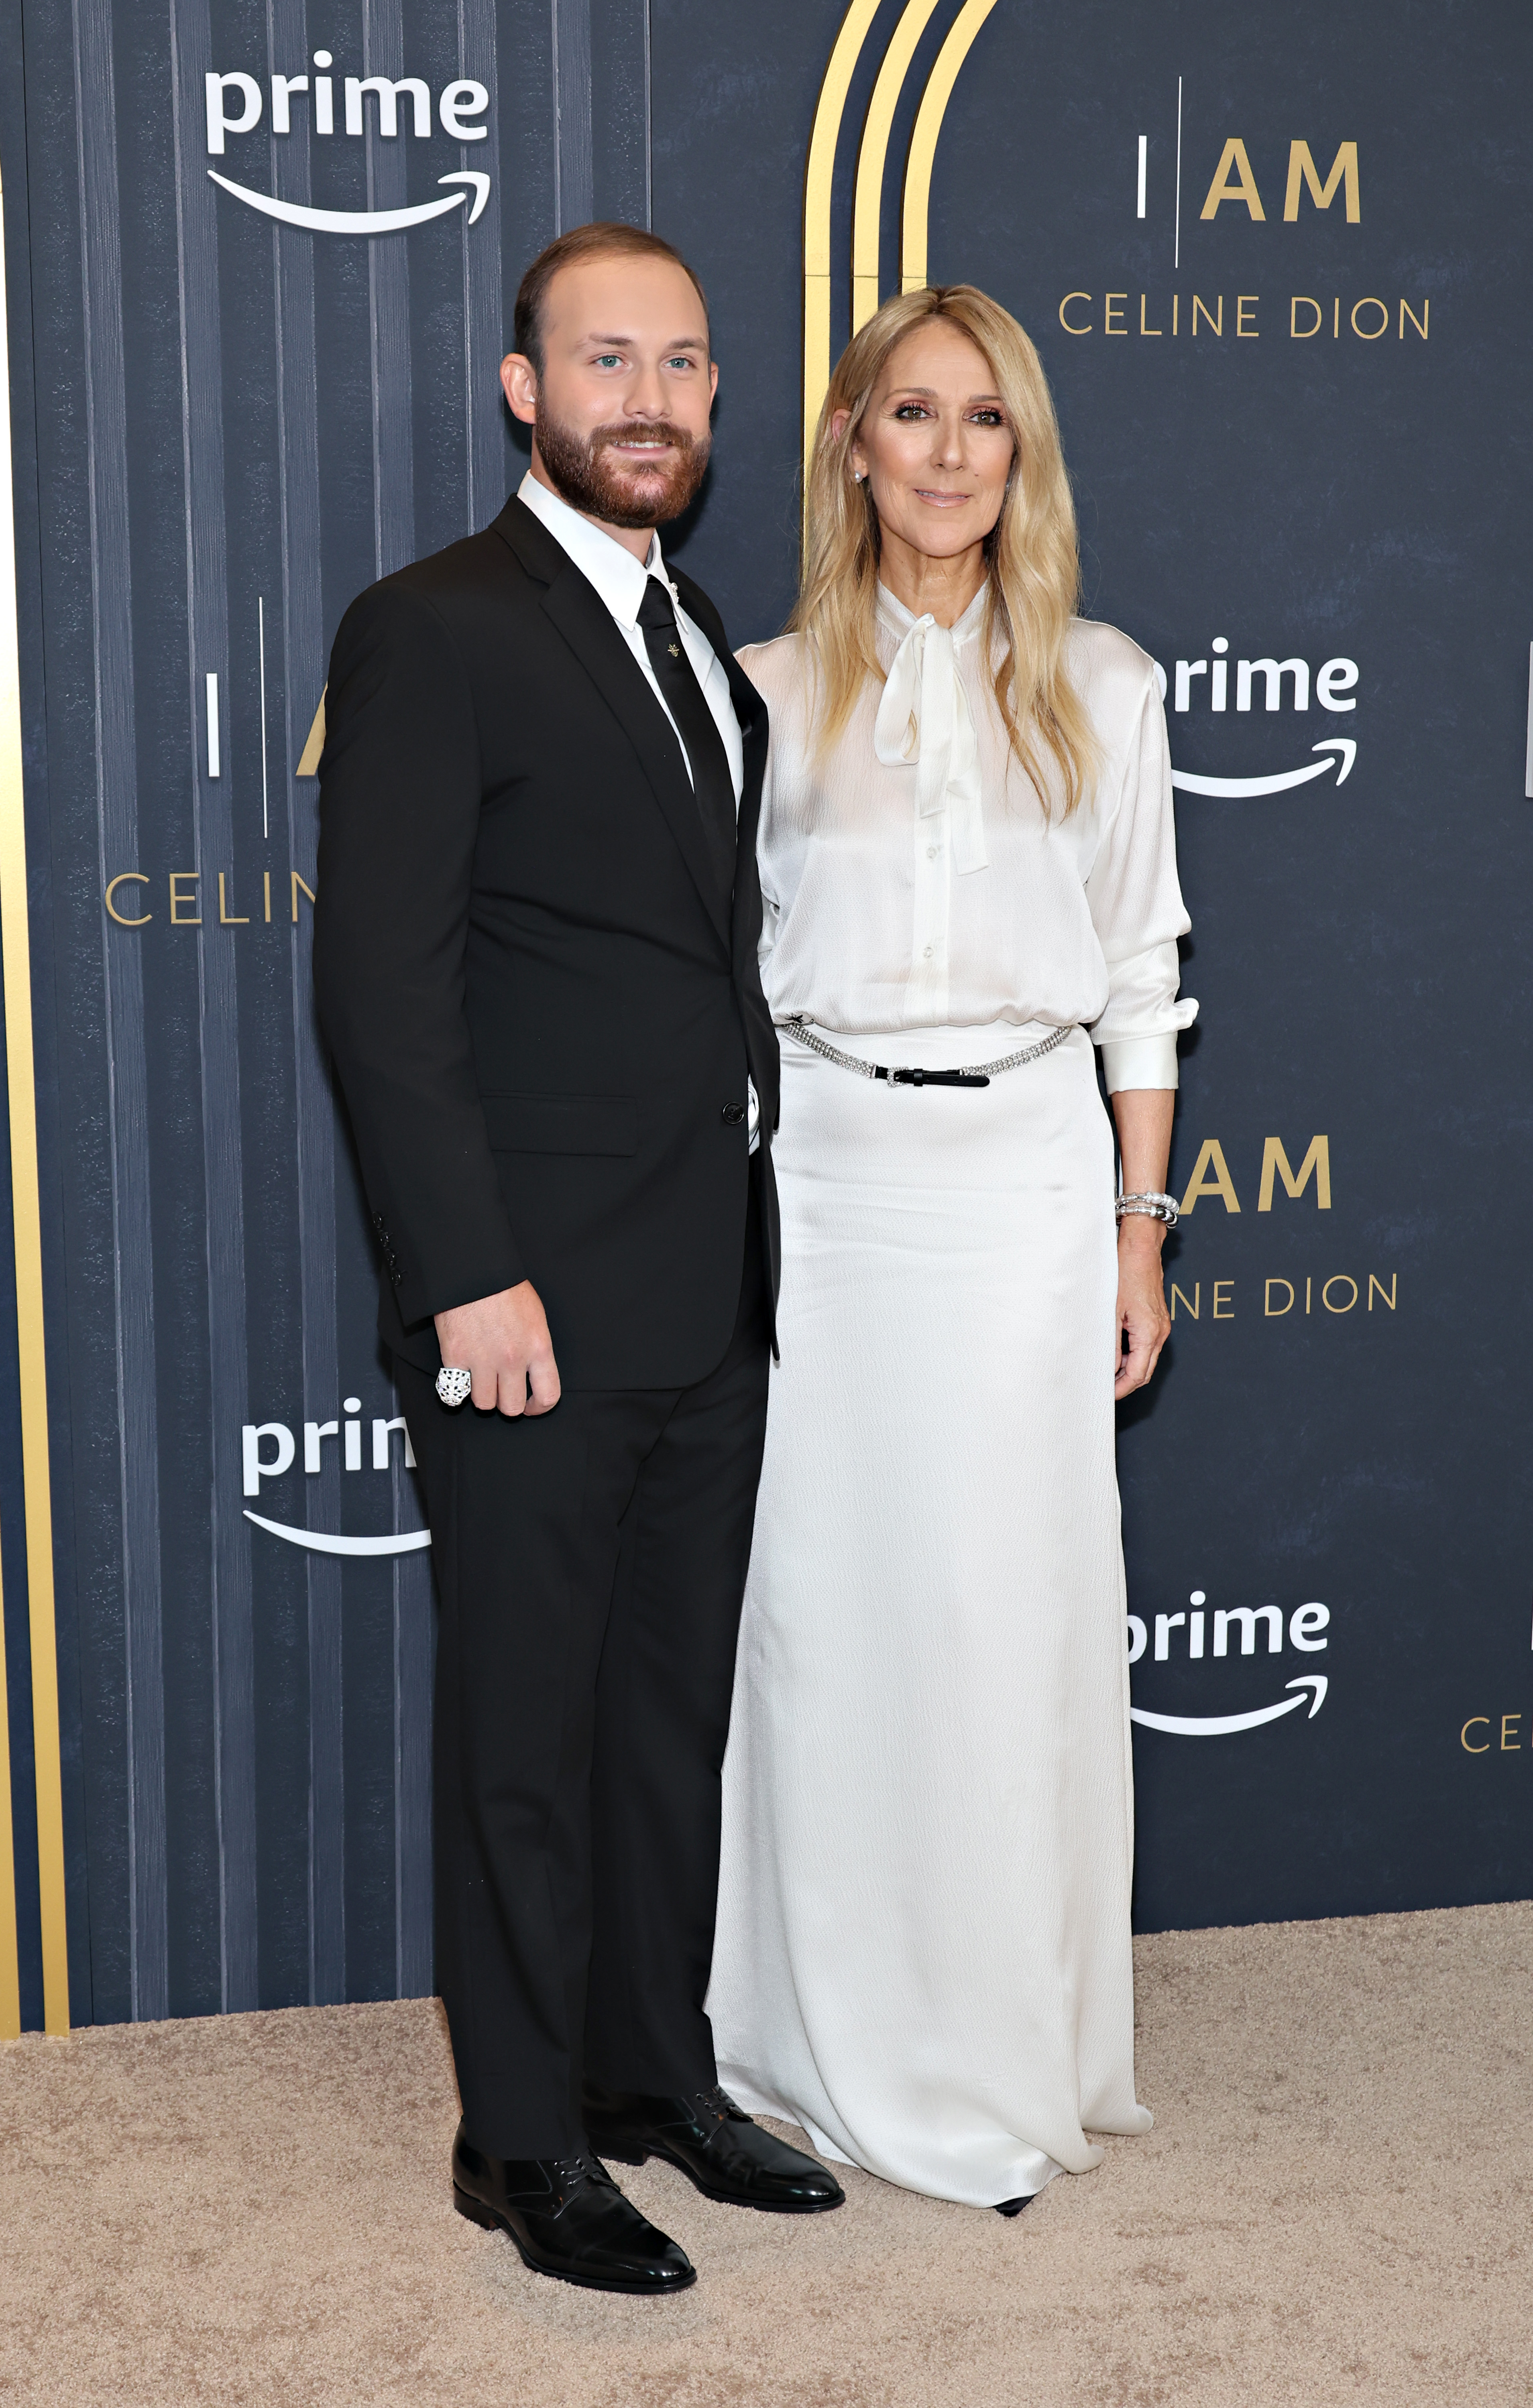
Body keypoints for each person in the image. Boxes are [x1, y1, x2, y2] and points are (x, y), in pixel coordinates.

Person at [313, 222, 843, 2297]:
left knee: (661, 1722)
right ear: (523, 388)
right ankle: (520, 2144)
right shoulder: (433, 627)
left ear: (719, 404)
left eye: (687, 364)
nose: (652, 398)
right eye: (605, 359)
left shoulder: (702, 632)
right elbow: (385, 990)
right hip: (527, 1299)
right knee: (528, 1736)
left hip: (709, 1288)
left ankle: (653, 2078)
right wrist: (469, 1279)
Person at [707, 285, 1196, 2213]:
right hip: (815, 1178)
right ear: (850, 442)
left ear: (1022, 456)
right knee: (824, 1623)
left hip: (1024, 1186)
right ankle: (806, 2047)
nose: (943, 452)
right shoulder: (753, 693)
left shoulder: (1112, 685)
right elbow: (715, 985)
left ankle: (1000, 2054)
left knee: (1001, 1617)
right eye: (908, 413)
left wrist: (1137, 1236)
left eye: (983, 420)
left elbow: (1143, 983)